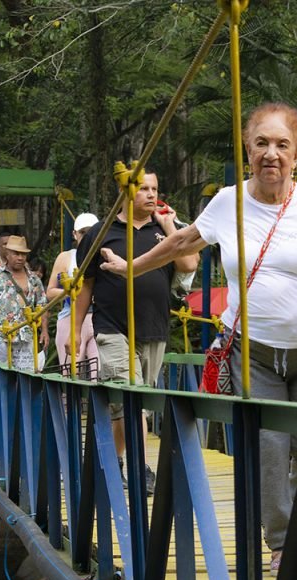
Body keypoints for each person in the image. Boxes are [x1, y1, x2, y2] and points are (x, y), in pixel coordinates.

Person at [98, 103, 297, 573]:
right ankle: (283, 543)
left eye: (283, 145)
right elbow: (182, 243)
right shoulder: (227, 201)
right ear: (248, 150)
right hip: (254, 353)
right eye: (261, 143)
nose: (271, 154)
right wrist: (131, 268)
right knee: (268, 445)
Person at [74, 171, 199, 494]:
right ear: (125, 192)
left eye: (155, 188)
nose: (150, 194)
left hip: (155, 328)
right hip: (112, 328)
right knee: (133, 398)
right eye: (143, 188)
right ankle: (140, 467)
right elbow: (86, 285)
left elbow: (188, 265)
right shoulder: (101, 233)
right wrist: (76, 330)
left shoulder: (165, 231)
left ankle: (114, 460)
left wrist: (170, 224)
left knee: (127, 405)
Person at [0, 235, 49, 371]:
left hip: (26, 337)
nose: (20, 258)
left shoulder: (34, 279)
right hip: (0, 335)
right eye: (16, 253)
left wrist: (44, 330)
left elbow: (42, 306)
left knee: (25, 378)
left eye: (23, 254)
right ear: (7, 254)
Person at [46, 213, 99, 376]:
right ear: (74, 234)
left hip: (100, 319)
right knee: (71, 374)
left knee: (100, 374)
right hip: (71, 318)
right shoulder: (66, 258)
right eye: (83, 232)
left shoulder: (105, 255)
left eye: (91, 232)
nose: (87, 236)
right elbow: (50, 292)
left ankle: (93, 403)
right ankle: (67, 403)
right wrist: (70, 292)